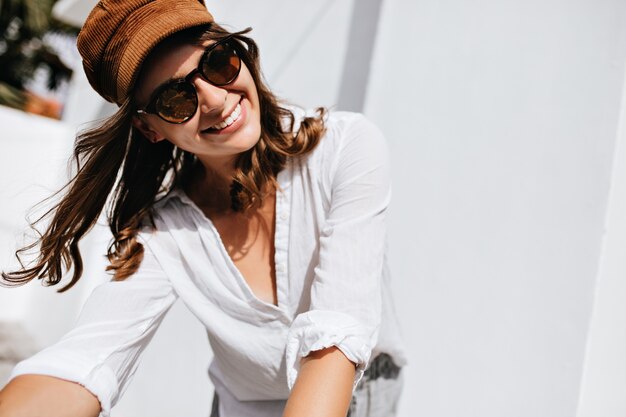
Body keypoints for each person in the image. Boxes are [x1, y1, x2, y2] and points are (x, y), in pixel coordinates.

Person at [0, 1, 406, 416]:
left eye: (217, 62)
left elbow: (337, 335)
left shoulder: (343, 150)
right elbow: (85, 360)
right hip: (242, 406)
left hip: (358, 393)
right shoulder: (164, 232)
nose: (214, 100)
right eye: (175, 100)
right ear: (148, 128)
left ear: (240, 51)